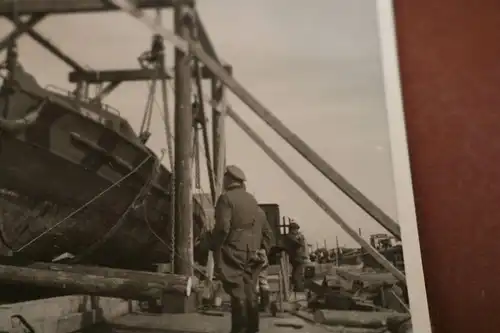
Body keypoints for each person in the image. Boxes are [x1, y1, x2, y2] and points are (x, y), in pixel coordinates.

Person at [211, 165, 272, 333]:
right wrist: (263, 250)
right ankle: (253, 330)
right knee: (250, 292)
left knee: (238, 294)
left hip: (233, 252)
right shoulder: (254, 203)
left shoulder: (226, 199)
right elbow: (268, 233)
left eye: (225, 178)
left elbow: (223, 228)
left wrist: (214, 245)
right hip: (252, 253)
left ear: (229, 180)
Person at [255, 207, 274, 312]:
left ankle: (253, 306)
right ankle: (265, 305)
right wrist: (265, 250)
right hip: (262, 252)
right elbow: (269, 236)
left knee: (252, 280)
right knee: (263, 280)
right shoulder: (263, 219)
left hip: (252, 251)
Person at [284, 221, 307, 292]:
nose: (297, 231)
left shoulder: (291, 236)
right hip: (296, 258)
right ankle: (299, 289)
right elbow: (298, 244)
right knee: (298, 274)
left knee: (296, 273)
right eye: (296, 229)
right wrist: (300, 238)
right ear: (292, 229)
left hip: (297, 257)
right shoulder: (290, 236)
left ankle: (296, 287)